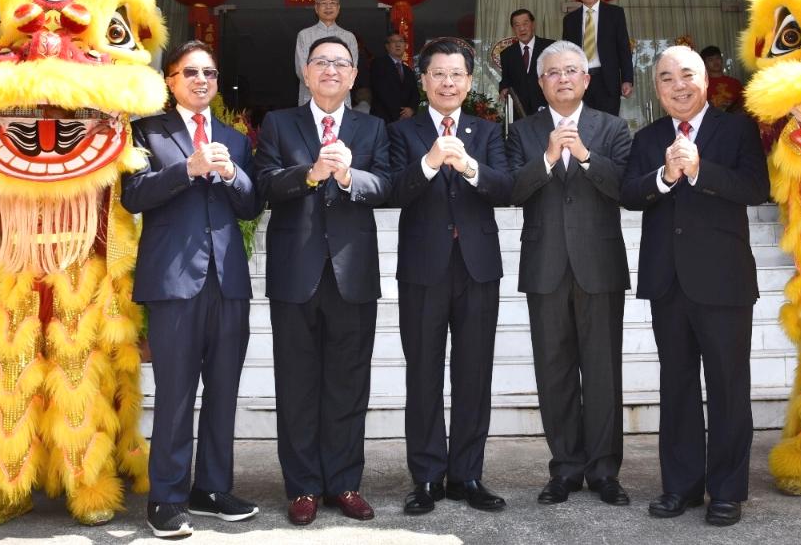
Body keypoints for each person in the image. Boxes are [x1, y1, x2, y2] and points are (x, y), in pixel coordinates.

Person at [621, 45, 769, 528]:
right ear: (657, 89)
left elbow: (754, 188)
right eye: (666, 78)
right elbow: (628, 194)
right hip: (669, 282)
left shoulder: (737, 129)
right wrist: (664, 177)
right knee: (677, 386)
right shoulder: (647, 138)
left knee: (728, 386)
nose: (677, 85)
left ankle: (726, 490)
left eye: (687, 75)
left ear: (706, 81)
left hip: (724, 280)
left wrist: (701, 171)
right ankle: (680, 486)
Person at [122, 39, 262, 539]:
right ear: (171, 80)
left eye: (210, 72)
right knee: (177, 394)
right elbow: (133, 196)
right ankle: (167, 497)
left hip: (228, 283)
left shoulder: (235, 138)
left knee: (224, 391)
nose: (202, 80)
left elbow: (251, 205)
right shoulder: (145, 132)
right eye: (191, 72)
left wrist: (231, 174)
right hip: (173, 282)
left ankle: (213, 488)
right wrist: (188, 169)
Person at [253, 35, 392, 526]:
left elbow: (387, 184)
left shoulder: (371, 128)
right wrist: (309, 175)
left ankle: (344, 482)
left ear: (353, 77)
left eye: (341, 63)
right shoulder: (278, 122)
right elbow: (263, 183)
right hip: (296, 274)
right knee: (296, 383)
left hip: (353, 274)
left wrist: (353, 178)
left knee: (349, 382)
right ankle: (303, 487)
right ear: (306, 74)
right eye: (321, 63)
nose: (331, 70)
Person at [389, 39, 514, 516]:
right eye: (438, 74)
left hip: (478, 268)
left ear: (468, 80)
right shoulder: (403, 132)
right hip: (423, 270)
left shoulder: (485, 132)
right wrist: (430, 161)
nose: (448, 82)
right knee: (422, 374)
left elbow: (505, 188)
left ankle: (467, 475)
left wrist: (468, 165)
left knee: (473, 375)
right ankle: (425, 477)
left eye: (457, 74)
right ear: (423, 81)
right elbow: (394, 191)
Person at [506, 41, 633, 507]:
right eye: (552, 72)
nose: (562, 78)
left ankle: (604, 471)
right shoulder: (523, 131)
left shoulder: (612, 128)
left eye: (571, 71)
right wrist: (544, 159)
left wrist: (583, 155)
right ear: (541, 82)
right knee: (554, 371)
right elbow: (513, 191)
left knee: (603, 371)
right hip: (545, 267)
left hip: (598, 267)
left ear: (586, 79)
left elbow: (625, 188)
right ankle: (564, 469)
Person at [561, 0, 633, 115]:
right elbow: (566, 54)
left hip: (607, 80)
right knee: (582, 126)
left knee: (608, 126)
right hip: (579, 81)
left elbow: (623, 48)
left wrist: (627, 79)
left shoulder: (615, 14)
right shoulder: (570, 20)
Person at [294, 0, 359, 106]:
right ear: (316, 8)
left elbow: (350, 70)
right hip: (311, 98)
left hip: (340, 100)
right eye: (323, 3)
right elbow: (301, 70)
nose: (328, 7)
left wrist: (333, 88)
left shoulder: (349, 37)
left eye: (332, 3)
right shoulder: (304, 35)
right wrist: (322, 89)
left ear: (338, 8)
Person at [498, 8, 554, 117]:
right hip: (520, 112)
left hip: (547, 109)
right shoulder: (507, 53)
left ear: (533, 25)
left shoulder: (550, 48)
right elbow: (506, 79)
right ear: (513, 29)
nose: (522, 28)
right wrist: (503, 88)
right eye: (517, 25)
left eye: (525, 23)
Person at [369, 32, 420, 123]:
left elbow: (415, 94)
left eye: (401, 41)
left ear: (405, 46)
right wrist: (398, 115)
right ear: (387, 46)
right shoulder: (379, 64)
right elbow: (382, 91)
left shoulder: (408, 70)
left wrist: (411, 109)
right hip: (383, 119)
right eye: (393, 41)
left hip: (405, 121)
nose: (398, 44)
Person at [699, 45, 744, 112]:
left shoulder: (735, 82)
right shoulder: (701, 85)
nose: (715, 62)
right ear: (704, 64)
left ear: (721, 60)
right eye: (710, 59)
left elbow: (745, 105)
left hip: (734, 120)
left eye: (717, 58)